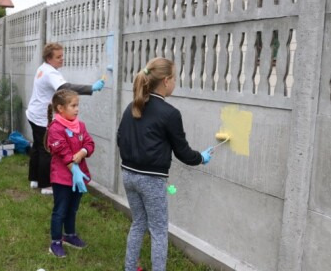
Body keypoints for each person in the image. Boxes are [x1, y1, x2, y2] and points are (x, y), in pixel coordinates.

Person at [117, 57, 213, 271]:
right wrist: (201, 157)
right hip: (151, 180)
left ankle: (129, 268)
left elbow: (119, 138)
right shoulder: (170, 114)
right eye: (175, 78)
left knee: (139, 223)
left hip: (128, 175)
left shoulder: (131, 106)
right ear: (167, 80)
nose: (175, 83)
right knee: (159, 231)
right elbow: (184, 152)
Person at [26, 43, 105, 195]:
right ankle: (46, 185)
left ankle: (34, 179)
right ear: (49, 58)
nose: (62, 59)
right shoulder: (50, 73)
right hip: (42, 116)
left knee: (37, 147)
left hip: (33, 112)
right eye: (58, 57)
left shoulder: (42, 68)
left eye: (62, 55)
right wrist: (91, 88)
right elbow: (65, 88)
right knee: (45, 150)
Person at [46, 89, 95, 258]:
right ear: (60, 108)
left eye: (77, 105)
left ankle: (70, 235)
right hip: (62, 178)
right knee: (60, 209)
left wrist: (83, 151)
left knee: (72, 208)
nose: (77, 109)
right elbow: (62, 150)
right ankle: (55, 242)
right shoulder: (56, 128)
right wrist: (73, 166)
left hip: (78, 177)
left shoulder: (80, 125)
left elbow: (89, 143)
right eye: (73, 105)